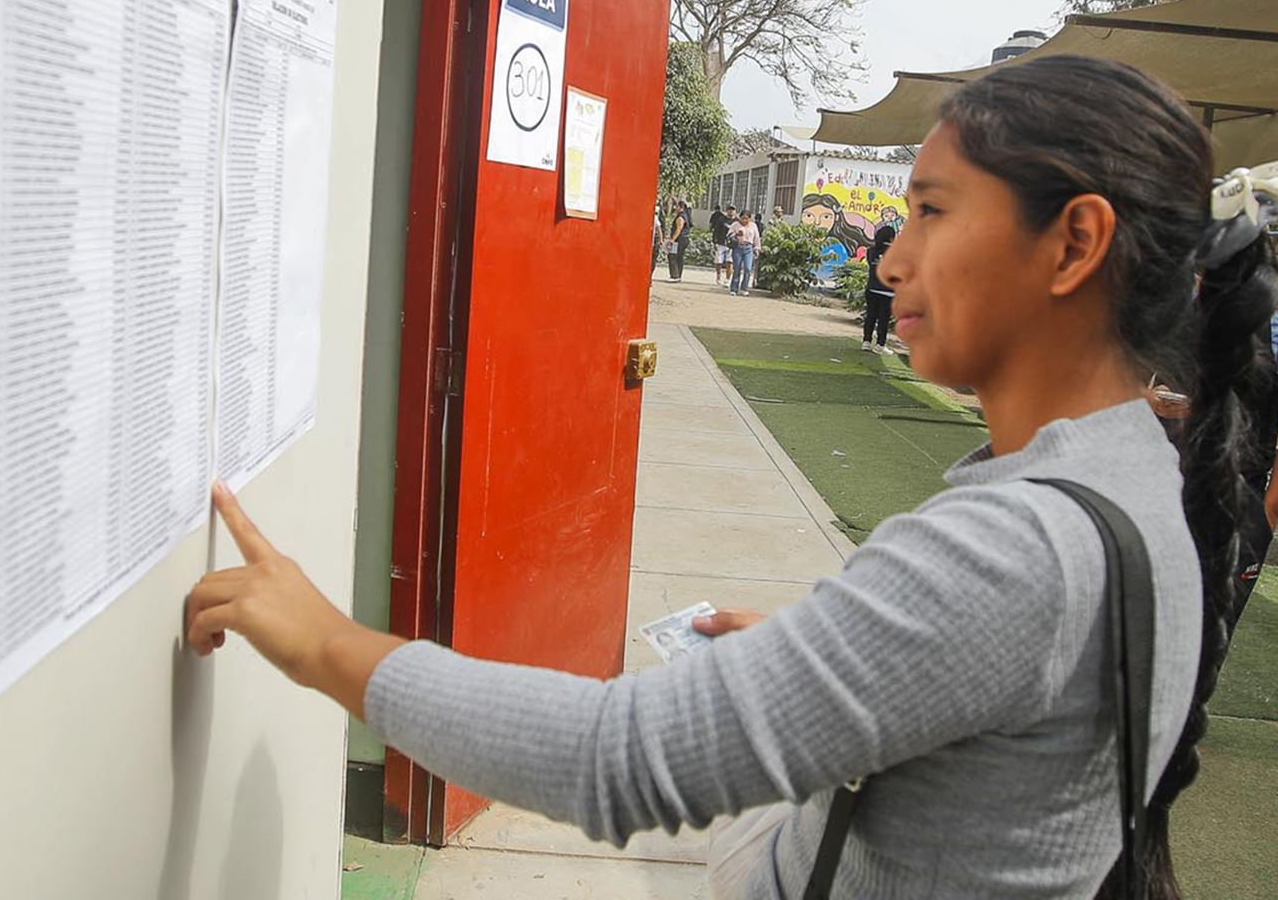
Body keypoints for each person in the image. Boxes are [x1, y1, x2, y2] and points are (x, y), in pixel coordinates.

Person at [188, 56, 1269, 897]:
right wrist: (826, 675)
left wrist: (330, 644)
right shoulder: (1142, 487)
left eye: (934, 212)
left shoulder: (1015, 550)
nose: (890, 262)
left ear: (1074, 243)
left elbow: (617, 758)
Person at [862, 224, 897, 353]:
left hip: (872, 288)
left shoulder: (871, 251)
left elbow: (871, 265)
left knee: (870, 315)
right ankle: (880, 345)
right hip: (888, 291)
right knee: (883, 318)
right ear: (892, 237)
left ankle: (866, 341)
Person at [728, 208, 760, 296]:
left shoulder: (753, 226)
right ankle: (734, 288)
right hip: (738, 248)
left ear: (750, 219)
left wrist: (757, 248)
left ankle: (744, 288)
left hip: (748, 248)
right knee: (737, 268)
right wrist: (736, 234)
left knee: (748, 268)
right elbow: (729, 235)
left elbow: (756, 238)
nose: (744, 220)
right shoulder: (735, 225)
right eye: (742, 218)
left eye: (746, 218)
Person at [668, 198, 692, 281]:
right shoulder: (686, 215)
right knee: (679, 257)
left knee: (673, 256)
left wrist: (672, 239)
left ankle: (675, 276)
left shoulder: (681, 217)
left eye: (676, 206)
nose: (675, 208)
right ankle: (678, 275)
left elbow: (679, 228)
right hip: (684, 239)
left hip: (679, 240)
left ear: (681, 207)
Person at [709, 204, 733, 286]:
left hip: (731, 245)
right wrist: (715, 242)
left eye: (732, 210)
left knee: (729, 262)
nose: (731, 211)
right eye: (729, 209)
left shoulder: (736, 221)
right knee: (719, 261)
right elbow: (716, 231)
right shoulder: (721, 219)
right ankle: (718, 276)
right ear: (727, 210)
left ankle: (728, 279)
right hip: (721, 243)